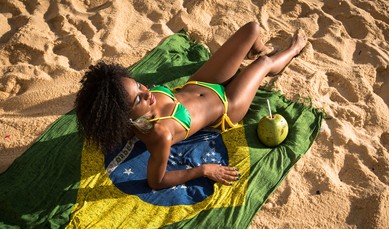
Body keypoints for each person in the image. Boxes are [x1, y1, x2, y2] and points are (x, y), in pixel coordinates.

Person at [74, 21, 307, 190]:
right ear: (125, 117)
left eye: (139, 85)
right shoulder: (159, 134)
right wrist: (204, 170)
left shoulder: (139, 105)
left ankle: (258, 48)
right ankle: (292, 51)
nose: (146, 93)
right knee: (263, 64)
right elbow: (156, 181)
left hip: (203, 82)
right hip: (228, 106)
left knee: (252, 29)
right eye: (138, 99)